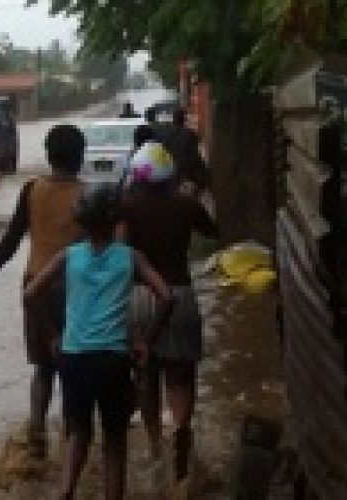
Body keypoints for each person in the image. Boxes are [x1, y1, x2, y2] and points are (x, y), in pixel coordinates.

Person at [24, 184, 174, 500]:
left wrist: (53, 334)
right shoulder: (130, 258)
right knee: (115, 441)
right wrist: (147, 341)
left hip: (74, 357)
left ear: (83, 223)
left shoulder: (69, 256)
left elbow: (31, 294)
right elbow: (167, 296)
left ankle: (65, 493)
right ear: (116, 221)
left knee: (79, 433)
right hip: (113, 359)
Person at [0, 124, 87, 458]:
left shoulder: (31, 190)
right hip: (78, 292)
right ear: (81, 156)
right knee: (75, 371)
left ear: (48, 155)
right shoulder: (90, 196)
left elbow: (9, 242)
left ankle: (37, 437)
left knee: (43, 368)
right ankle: (75, 444)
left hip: (35, 289)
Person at [121, 140, 218, 487]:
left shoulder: (125, 207)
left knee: (146, 374)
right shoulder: (186, 204)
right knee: (181, 375)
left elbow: (117, 252)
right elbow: (213, 233)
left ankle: (153, 445)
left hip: (137, 296)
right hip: (179, 294)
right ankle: (181, 429)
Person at [162, 108, 209, 196]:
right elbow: (195, 154)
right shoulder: (189, 134)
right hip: (187, 173)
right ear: (184, 120)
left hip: (172, 174)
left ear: (173, 119)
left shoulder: (166, 135)